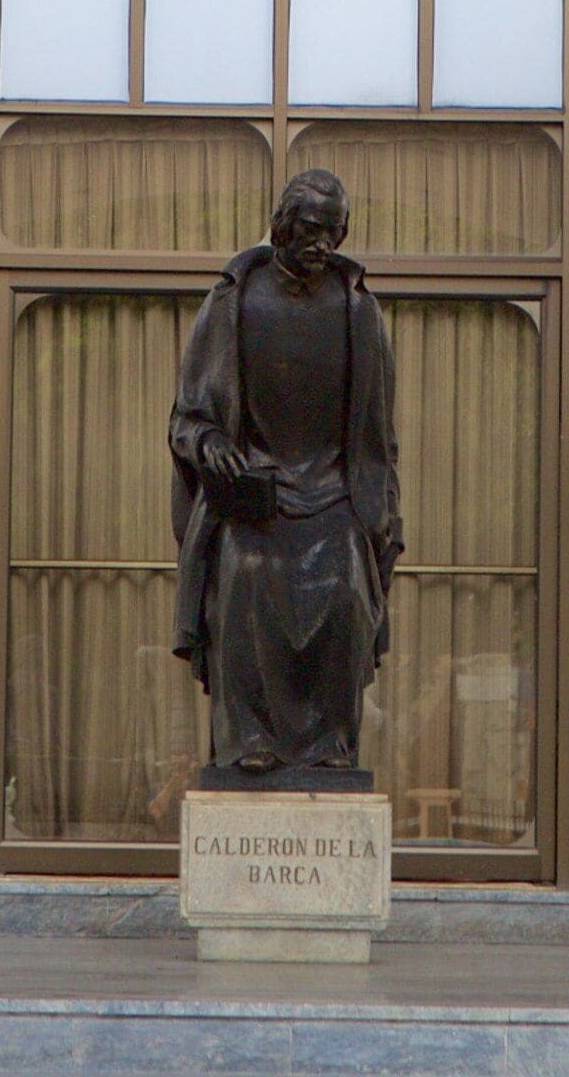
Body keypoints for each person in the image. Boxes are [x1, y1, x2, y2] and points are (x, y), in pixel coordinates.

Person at [168, 169, 401, 786]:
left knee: (349, 588)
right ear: (282, 225)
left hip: (333, 495)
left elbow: (379, 434)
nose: (322, 242)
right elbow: (186, 418)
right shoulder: (233, 302)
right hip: (255, 499)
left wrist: (380, 514)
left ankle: (330, 745)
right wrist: (212, 442)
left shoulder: (359, 313)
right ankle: (250, 740)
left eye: (334, 230)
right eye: (310, 228)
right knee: (242, 572)